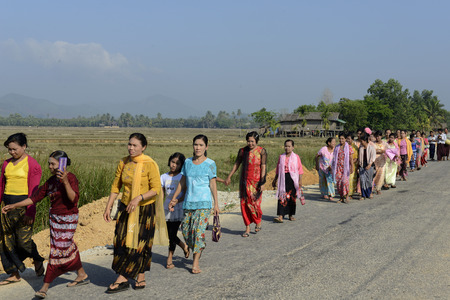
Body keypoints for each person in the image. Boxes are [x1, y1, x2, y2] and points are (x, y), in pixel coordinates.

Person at [2, 151, 88, 299]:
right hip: (55, 219)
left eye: (53, 164)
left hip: (68, 219)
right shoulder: (51, 181)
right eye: (49, 163)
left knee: (56, 252)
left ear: (62, 164)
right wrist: (14, 205)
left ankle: (45, 286)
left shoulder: (71, 178)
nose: (50, 166)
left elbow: (73, 199)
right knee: (65, 247)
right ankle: (82, 274)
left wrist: (66, 181)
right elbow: (34, 198)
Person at [103, 133, 167, 293]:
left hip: (144, 209)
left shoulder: (149, 164)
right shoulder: (124, 162)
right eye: (129, 144)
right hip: (125, 207)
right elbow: (116, 186)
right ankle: (135, 274)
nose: (131, 148)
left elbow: (156, 189)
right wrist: (108, 207)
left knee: (140, 244)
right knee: (121, 240)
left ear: (143, 147)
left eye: (135, 145)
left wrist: (139, 198)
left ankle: (125, 277)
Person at [169, 135, 219, 274]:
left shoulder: (210, 163)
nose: (198, 147)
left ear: (206, 147)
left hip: (204, 204)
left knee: (198, 233)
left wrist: (216, 204)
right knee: (186, 231)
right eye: (195, 144)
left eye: (201, 145)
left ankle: (195, 262)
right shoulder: (188, 163)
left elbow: (212, 184)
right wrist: (174, 198)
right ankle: (191, 247)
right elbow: (182, 182)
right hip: (189, 203)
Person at [0, 133, 45, 286]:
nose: (12, 152)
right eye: (9, 150)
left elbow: (34, 192)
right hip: (7, 205)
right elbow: (1, 186)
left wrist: (30, 212)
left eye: (15, 149)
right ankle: (13, 273)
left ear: (24, 146)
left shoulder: (33, 165)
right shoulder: (6, 164)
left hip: (24, 205)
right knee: (6, 240)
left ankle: (37, 259)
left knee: (23, 242)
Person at [225, 132, 267, 237]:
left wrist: (262, 182)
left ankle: (258, 221)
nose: (250, 143)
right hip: (244, 182)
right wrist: (229, 176)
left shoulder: (261, 151)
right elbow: (237, 164)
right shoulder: (242, 151)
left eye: (252, 141)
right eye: (248, 141)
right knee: (244, 204)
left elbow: (263, 166)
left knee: (255, 204)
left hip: (256, 182)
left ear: (256, 141)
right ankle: (247, 227)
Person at [161, 152, 189, 269]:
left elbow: (185, 193)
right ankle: (183, 245)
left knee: (172, 233)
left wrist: (177, 201)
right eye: (173, 162)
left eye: (177, 163)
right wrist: (159, 207)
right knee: (168, 234)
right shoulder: (163, 177)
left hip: (178, 208)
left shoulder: (182, 177)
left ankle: (169, 258)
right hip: (166, 209)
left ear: (181, 165)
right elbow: (162, 194)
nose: (174, 165)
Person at [272, 140, 304, 223]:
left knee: (292, 197)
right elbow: (278, 169)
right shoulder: (281, 157)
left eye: (289, 146)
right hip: (283, 178)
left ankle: (290, 215)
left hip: (293, 178)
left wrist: (300, 181)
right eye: (286, 146)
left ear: (293, 147)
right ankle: (280, 216)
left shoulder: (296, 157)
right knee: (282, 197)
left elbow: (300, 169)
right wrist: (275, 179)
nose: (287, 148)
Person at [331, 133, 353, 203]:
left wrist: (352, 166)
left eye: (342, 139)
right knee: (339, 183)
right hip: (338, 167)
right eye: (340, 139)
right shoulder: (337, 148)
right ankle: (341, 197)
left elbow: (351, 159)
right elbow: (334, 158)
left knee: (345, 182)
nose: (341, 140)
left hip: (346, 168)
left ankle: (346, 196)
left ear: (345, 139)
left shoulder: (349, 147)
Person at [315, 137, 336, 201]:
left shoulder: (335, 150)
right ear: (329, 143)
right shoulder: (323, 149)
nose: (334, 143)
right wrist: (317, 165)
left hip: (331, 169)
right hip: (322, 168)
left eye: (335, 142)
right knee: (323, 181)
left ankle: (331, 194)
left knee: (330, 181)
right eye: (333, 142)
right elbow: (317, 156)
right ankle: (324, 194)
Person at [358, 133, 376, 200]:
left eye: (362, 141)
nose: (361, 142)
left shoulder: (371, 148)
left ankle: (369, 193)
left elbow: (373, 157)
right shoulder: (361, 148)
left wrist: (370, 164)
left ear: (365, 141)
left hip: (369, 165)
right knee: (362, 180)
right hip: (362, 165)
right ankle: (363, 195)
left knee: (368, 180)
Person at [346, 133, 359, 199]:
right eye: (346, 139)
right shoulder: (344, 146)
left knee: (351, 180)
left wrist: (350, 163)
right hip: (345, 166)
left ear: (352, 139)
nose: (347, 140)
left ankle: (350, 194)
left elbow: (356, 158)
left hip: (352, 166)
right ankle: (345, 193)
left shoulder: (355, 147)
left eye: (349, 139)